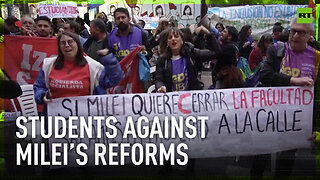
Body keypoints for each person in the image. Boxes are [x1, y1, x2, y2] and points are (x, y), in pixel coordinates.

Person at [251, 18, 316, 179]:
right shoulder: (277, 49)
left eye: (301, 33)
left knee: (286, 158)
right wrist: (292, 81)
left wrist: (315, 125)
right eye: (293, 31)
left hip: (297, 118)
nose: (294, 36)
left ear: (310, 35)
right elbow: (265, 75)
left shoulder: (316, 57)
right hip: (270, 113)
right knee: (261, 154)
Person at [34, 31, 122, 104]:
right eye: (63, 43)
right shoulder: (48, 65)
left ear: (78, 44)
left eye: (70, 41)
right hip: (55, 120)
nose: (67, 45)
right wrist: (42, 96)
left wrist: (108, 59)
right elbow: (39, 87)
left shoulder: (93, 66)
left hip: (85, 120)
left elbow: (113, 80)